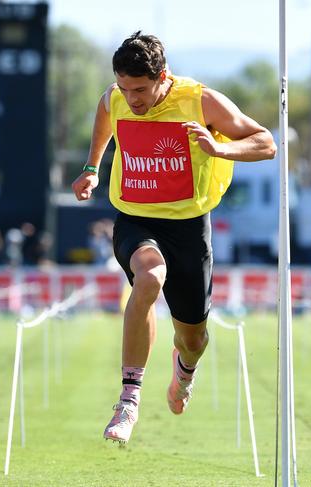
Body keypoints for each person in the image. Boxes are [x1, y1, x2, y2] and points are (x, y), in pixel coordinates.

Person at [71, 32, 276, 444]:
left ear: (162, 76)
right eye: (125, 89)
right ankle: (128, 400)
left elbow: (266, 143)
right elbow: (105, 113)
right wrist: (92, 166)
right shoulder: (116, 97)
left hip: (188, 227)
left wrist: (220, 151)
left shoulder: (200, 101)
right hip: (135, 218)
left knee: (193, 339)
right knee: (149, 278)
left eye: (141, 90)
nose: (132, 100)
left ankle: (183, 371)